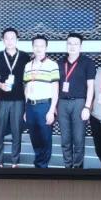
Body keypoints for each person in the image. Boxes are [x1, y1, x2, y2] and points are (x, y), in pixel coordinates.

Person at [56, 32, 96, 169]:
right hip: (62, 103)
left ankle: (78, 168)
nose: (72, 46)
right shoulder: (59, 62)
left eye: (76, 44)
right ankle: (67, 167)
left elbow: (91, 87)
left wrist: (87, 107)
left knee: (78, 139)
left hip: (79, 103)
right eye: (70, 43)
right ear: (66, 45)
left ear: (81, 46)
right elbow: (55, 85)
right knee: (65, 139)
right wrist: (55, 106)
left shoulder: (88, 62)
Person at [0, 27, 29, 167]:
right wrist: (0, 85)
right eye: (6, 38)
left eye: (12, 38)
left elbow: (27, 81)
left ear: (17, 39)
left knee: (16, 131)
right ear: (3, 40)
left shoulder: (25, 57)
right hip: (1, 100)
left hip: (18, 100)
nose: (9, 41)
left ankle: (15, 161)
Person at [22, 35, 59, 168]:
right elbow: (26, 87)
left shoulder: (52, 65)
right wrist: (26, 109)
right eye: (36, 46)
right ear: (32, 47)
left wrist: (51, 110)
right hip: (30, 106)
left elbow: (55, 90)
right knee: (34, 137)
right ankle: (39, 164)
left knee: (45, 138)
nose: (38, 48)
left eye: (41, 46)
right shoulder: (28, 66)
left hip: (44, 106)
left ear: (46, 48)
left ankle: (42, 167)